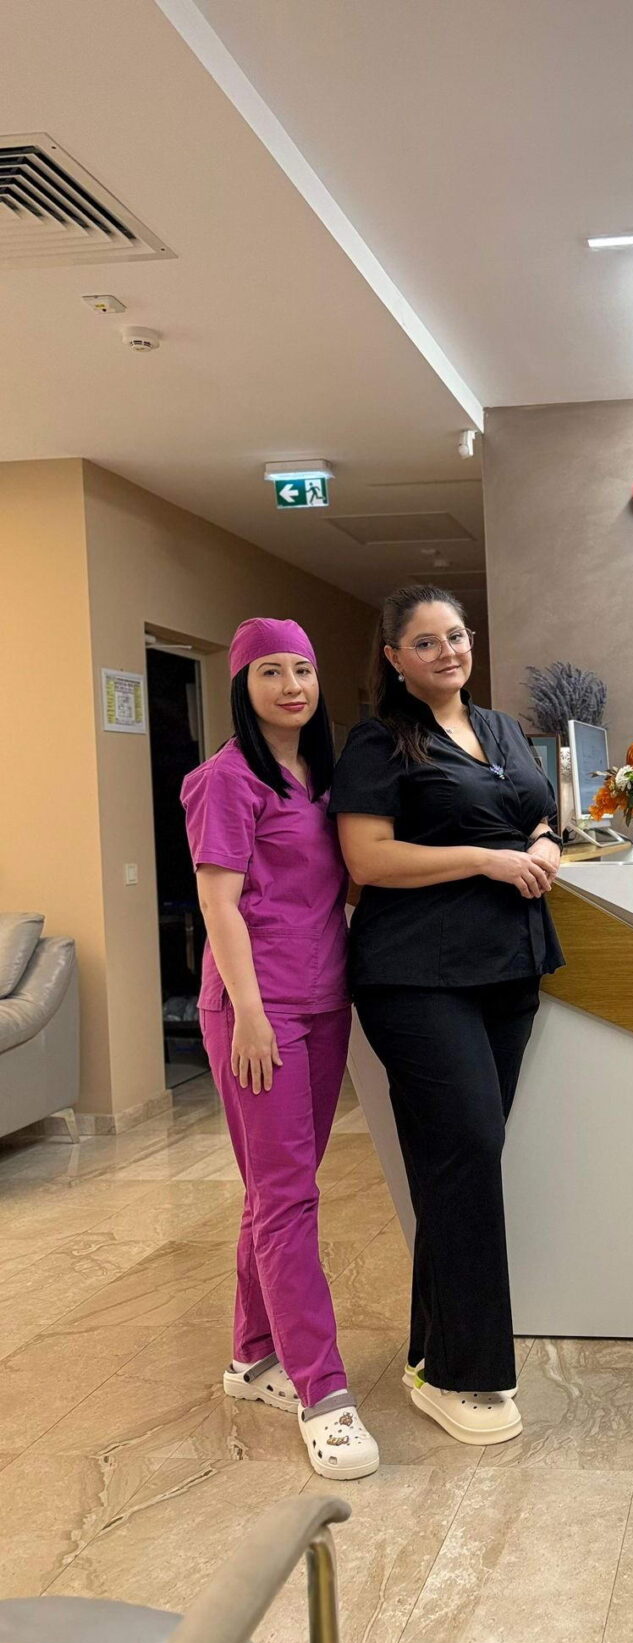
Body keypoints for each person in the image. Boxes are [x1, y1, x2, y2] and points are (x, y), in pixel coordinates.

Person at [331, 584, 564, 1446]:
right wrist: (487, 860)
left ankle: (432, 1353)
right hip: (417, 976)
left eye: (456, 636)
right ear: (395, 657)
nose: (448, 652)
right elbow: (367, 858)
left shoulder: (499, 728)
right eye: (426, 642)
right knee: (466, 1146)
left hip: (507, 968)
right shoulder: (378, 740)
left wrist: (542, 842)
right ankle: (467, 1373)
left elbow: (539, 810)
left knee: (456, 1161)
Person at [181, 618, 378, 1481]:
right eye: (271, 671)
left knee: (276, 1190)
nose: (293, 685)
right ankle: (322, 1392)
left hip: (324, 1000)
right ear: (242, 684)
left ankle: (254, 1354)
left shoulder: (322, 777)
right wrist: (250, 1014)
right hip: (260, 1013)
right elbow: (219, 905)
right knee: (289, 1196)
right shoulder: (226, 780)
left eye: (303, 668)